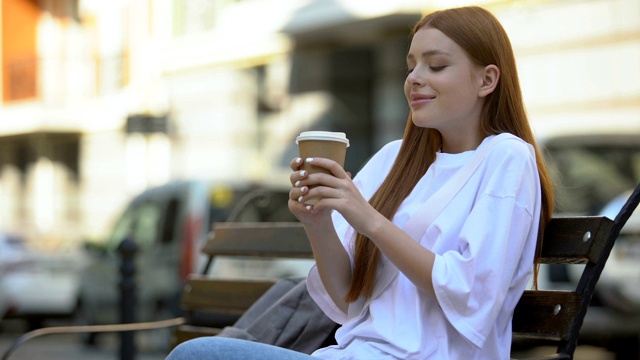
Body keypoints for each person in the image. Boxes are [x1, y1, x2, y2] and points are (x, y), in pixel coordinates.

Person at [165, 5, 554, 360]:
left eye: (435, 66)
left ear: (487, 80)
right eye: (412, 65)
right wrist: (317, 224)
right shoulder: (393, 159)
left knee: (197, 356)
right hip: (353, 352)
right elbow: (349, 301)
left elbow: (471, 293)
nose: (415, 79)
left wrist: (367, 219)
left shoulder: (506, 157)